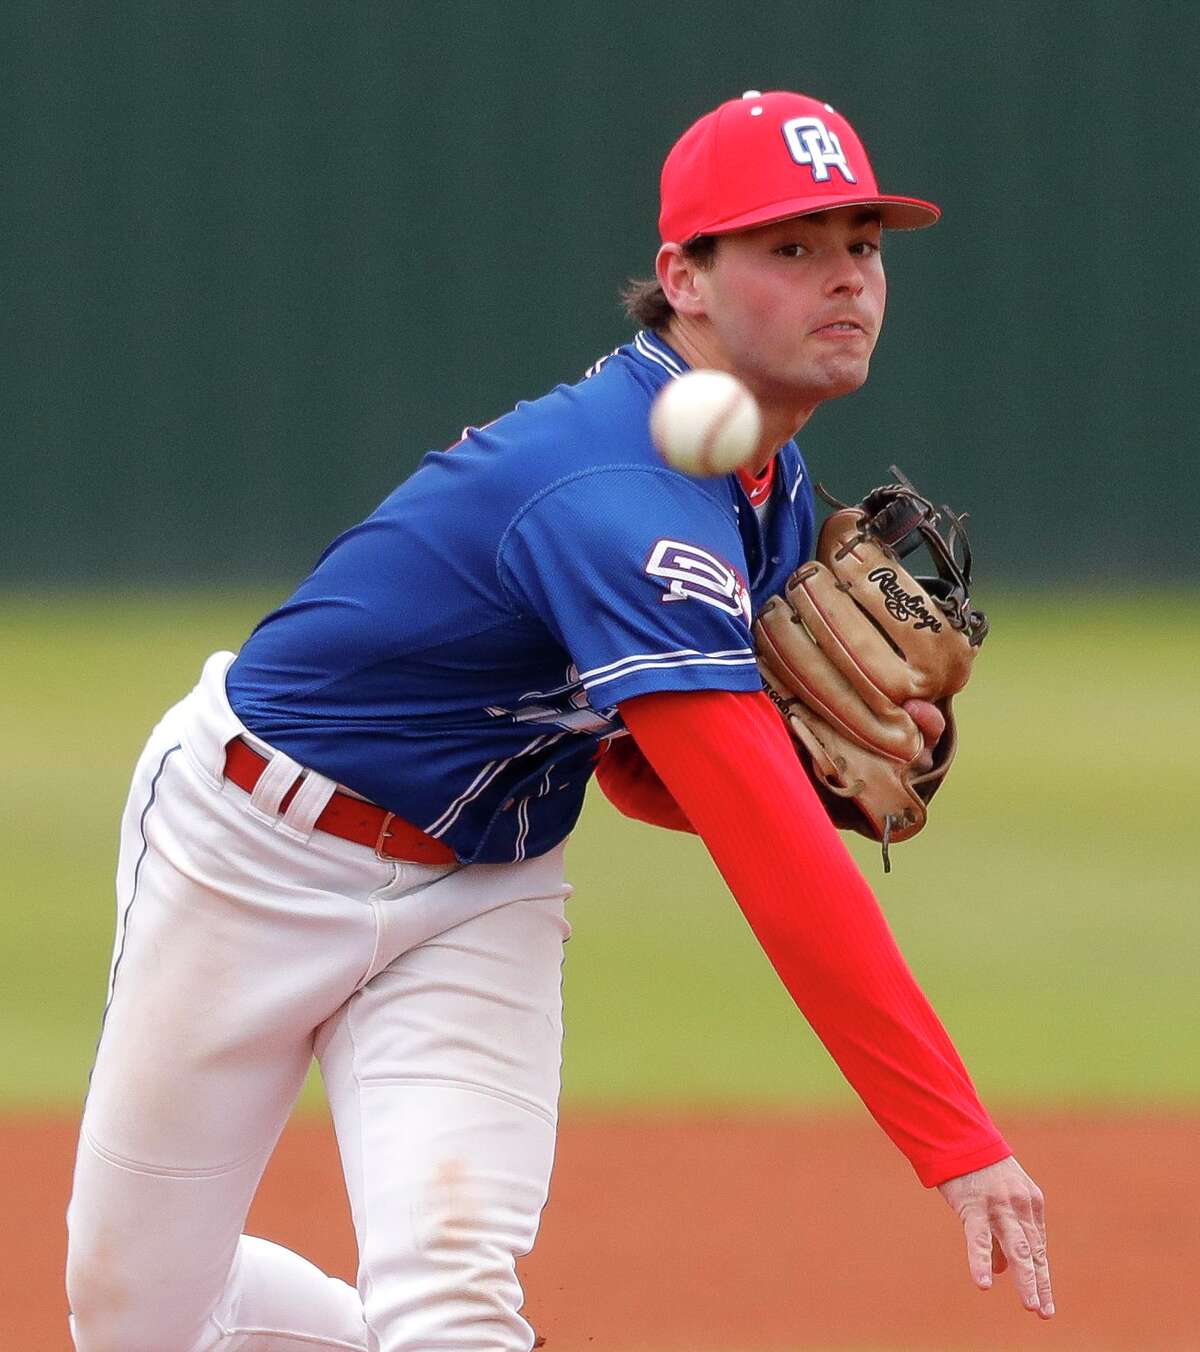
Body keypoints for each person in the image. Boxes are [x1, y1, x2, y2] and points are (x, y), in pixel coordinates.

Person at [66, 89, 1053, 1351]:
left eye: (861, 242)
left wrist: (793, 754)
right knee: (134, 1316)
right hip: (252, 847)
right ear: (682, 277)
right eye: (791, 247)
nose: (847, 279)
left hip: (479, 887)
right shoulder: (620, 493)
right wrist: (955, 1136)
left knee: (451, 1296)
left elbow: (636, 770)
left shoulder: (763, 466)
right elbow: (771, 850)